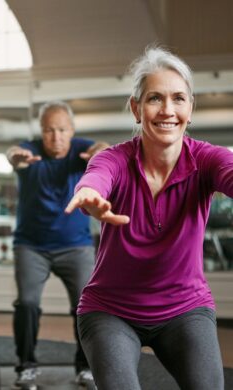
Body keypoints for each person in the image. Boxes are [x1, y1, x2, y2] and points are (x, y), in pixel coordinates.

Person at [65, 46, 233, 390]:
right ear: (136, 108)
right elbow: (97, 176)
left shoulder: (208, 160)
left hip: (185, 307)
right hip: (111, 309)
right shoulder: (114, 159)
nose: (167, 110)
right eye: (155, 98)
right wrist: (89, 196)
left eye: (178, 99)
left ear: (190, 108)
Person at [6, 100, 109, 389]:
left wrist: (100, 152)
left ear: (72, 130)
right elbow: (13, 153)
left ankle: (85, 366)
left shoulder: (81, 149)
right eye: (49, 130)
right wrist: (15, 157)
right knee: (26, 303)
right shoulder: (31, 151)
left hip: (75, 246)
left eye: (62, 130)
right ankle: (26, 365)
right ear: (41, 131)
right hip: (31, 246)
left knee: (86, 305)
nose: (56, 137)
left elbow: (103, 146)